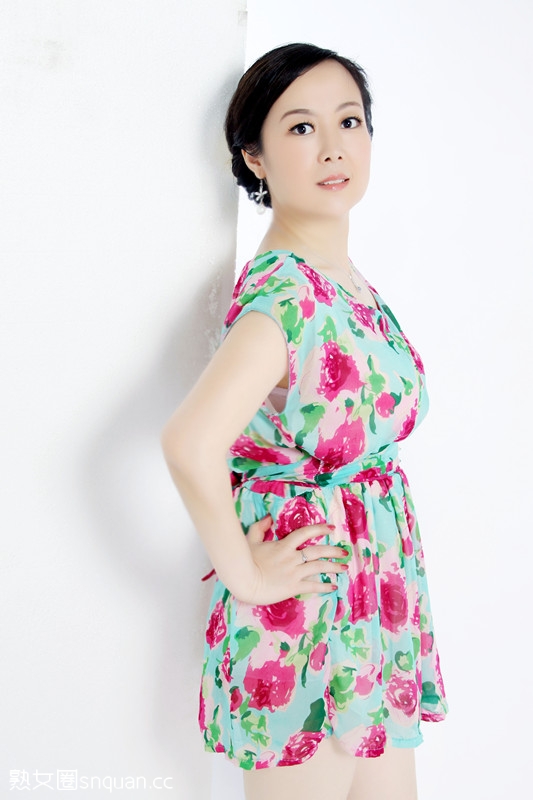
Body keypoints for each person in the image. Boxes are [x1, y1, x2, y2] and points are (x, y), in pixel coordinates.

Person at [161, 42, 448, 800]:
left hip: (372, 600)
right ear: (253, 156)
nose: (332, 147)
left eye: (348, 121)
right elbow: (189, 443)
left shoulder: (343, 282)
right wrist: (246, 574)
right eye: (299, 128)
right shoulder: (285, 298)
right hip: (309, 614)